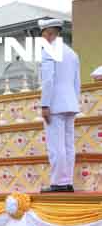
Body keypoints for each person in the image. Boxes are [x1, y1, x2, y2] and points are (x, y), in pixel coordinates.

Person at [38, 18, 81, 193]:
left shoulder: (48, 50)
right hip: (70, 103)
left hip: (55, 104)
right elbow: (76, 82)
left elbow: (48, 80)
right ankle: (67, 181)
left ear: (48, 33)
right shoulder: (72, 53)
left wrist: (45, 104)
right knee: (69, 145)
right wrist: (74, 102)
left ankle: (58, 183)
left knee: (56, 146)